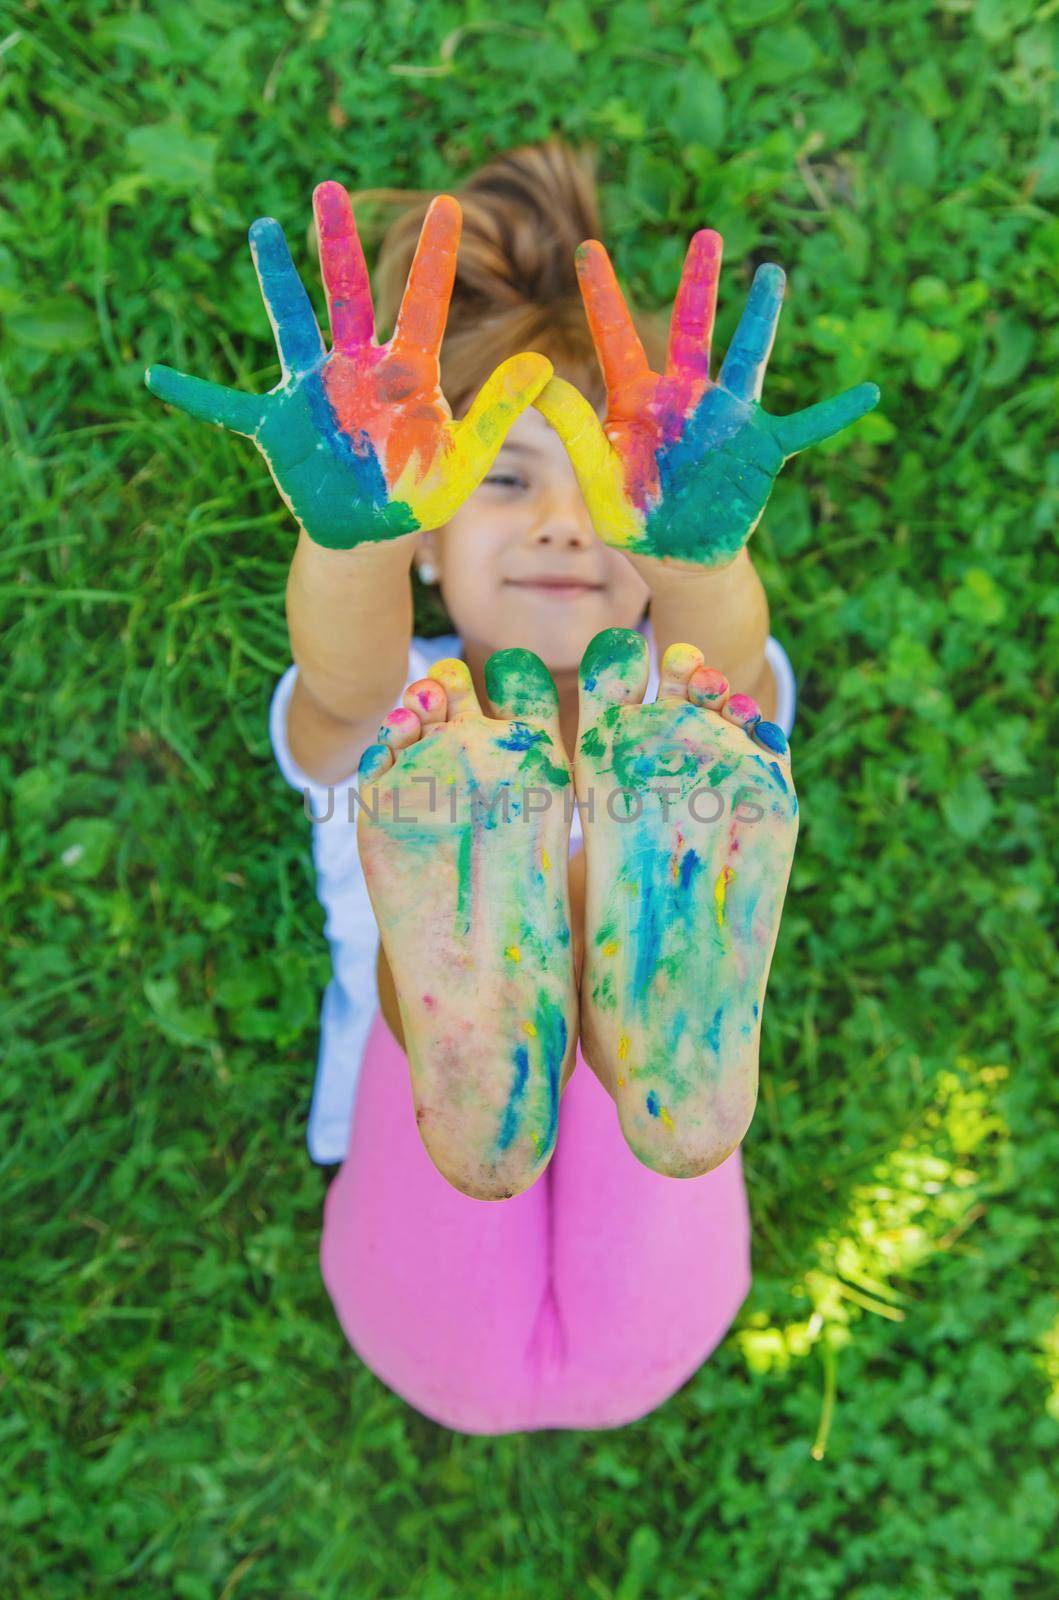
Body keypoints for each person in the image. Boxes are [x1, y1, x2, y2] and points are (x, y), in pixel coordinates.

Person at [147, 142, 877, 1433]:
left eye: (608, 488)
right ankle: (503, 995)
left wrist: (699, 548)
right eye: (506, 479)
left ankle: (614, 988)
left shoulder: (679, 716)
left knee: (704, 772)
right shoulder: (407, 708)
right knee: (472, 1048)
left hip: (583, 1190)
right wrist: (345, 536)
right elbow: (344, 671)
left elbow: (733, 673)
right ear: (422, 545)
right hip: (463, 1155)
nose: (563, 524)